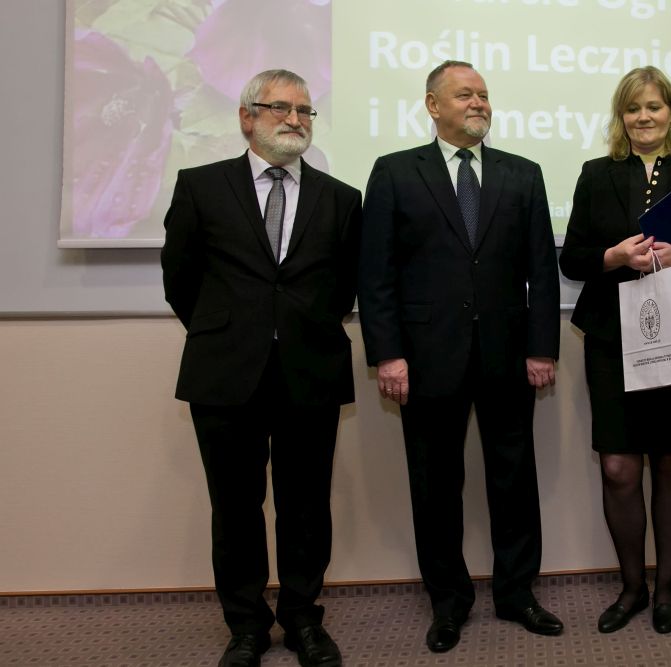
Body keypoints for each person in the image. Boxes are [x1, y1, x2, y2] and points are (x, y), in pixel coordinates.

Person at [357, 60, 562, 653]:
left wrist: (542, 347)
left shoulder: (523, 173)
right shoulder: (395, 172)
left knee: (514, 480)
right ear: (432, 105)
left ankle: (517, 593)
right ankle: (448, 602)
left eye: (484, 95)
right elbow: (376, 274)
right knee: (435, 485)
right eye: (464, 94)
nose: (478, 103)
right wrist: (388, 355)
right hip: (426, 358)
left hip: (508, 355)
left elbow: (541, 272)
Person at [161, 69, 360, 667]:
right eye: (280, 108)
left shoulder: (341, 197)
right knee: (235, 508)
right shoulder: (200, 186)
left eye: (305, 110)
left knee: (306, 507)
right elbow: (180, 279)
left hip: (310, 368)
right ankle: (246, 626)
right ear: (247, 116)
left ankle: (302, 619)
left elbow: (343, 286)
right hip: (225, 371)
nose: (295, 119)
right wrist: (228, 330)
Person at [559, 66, 671, 634]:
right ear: (621, 116)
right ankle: (632, 587)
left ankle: (666, 589)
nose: (644, 117)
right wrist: (614, 257)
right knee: (618, 466)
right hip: (612, 338)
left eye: (655, 106)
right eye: (633, 107)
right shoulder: (595, 174)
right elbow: (572, 259)